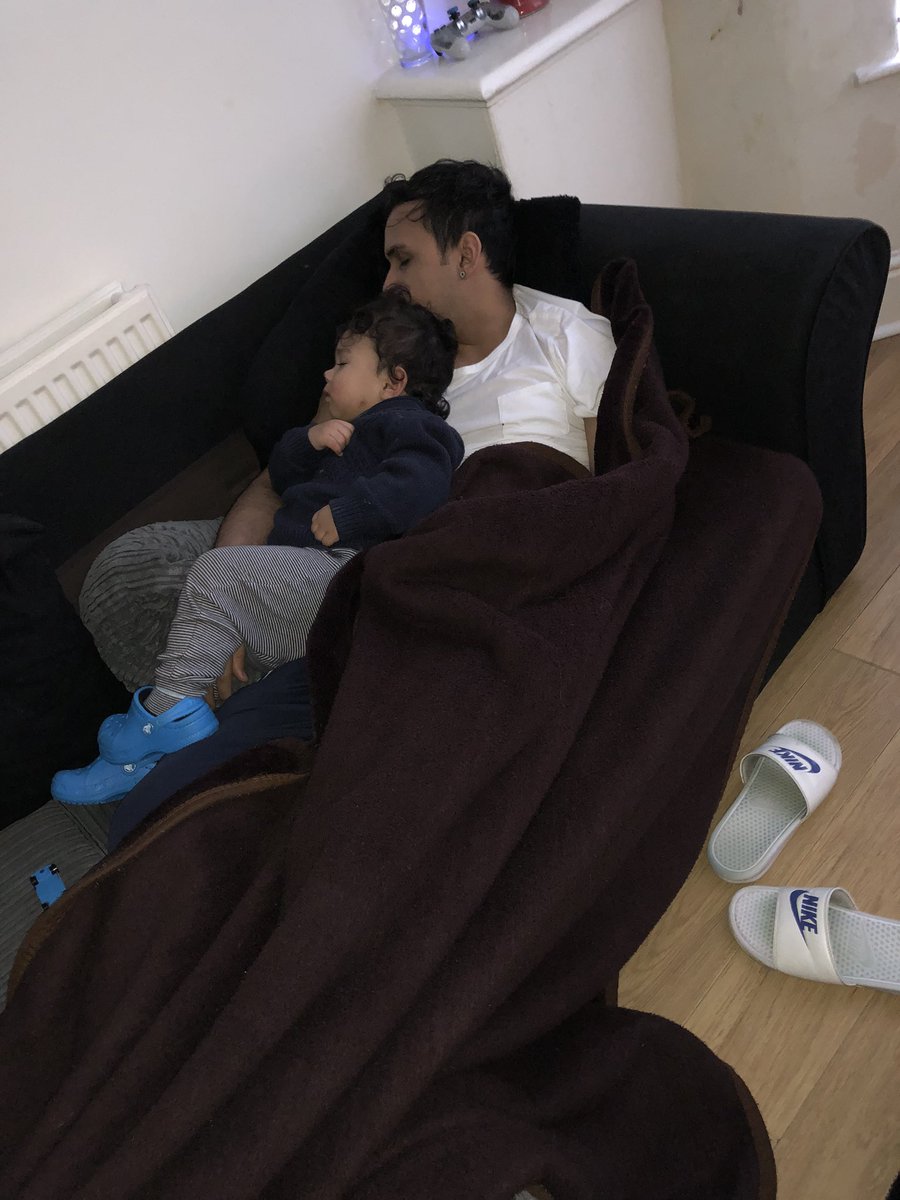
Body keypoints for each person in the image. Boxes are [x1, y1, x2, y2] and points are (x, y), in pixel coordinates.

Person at [104, 158, 617, 846]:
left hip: (477, 587)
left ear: (467, 254)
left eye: (404, 260)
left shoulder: (562, 335)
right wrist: (234, 592)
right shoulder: (382, 365)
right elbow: (280, 482)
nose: (387, 282)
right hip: (352, 581)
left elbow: (618, 489)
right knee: (133, 585)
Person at [53, 286, 462, 806]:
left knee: (216, 574)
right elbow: (283, 476)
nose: (327, 374)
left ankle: (160, 717)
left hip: (346, 578)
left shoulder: (411, 424)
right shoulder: (341, 432)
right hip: (298, 597)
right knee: (212, 628)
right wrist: (307, 440)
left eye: (342, 363)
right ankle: (141, 763)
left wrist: (352, 513)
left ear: (394, 381)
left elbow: (424, 483)